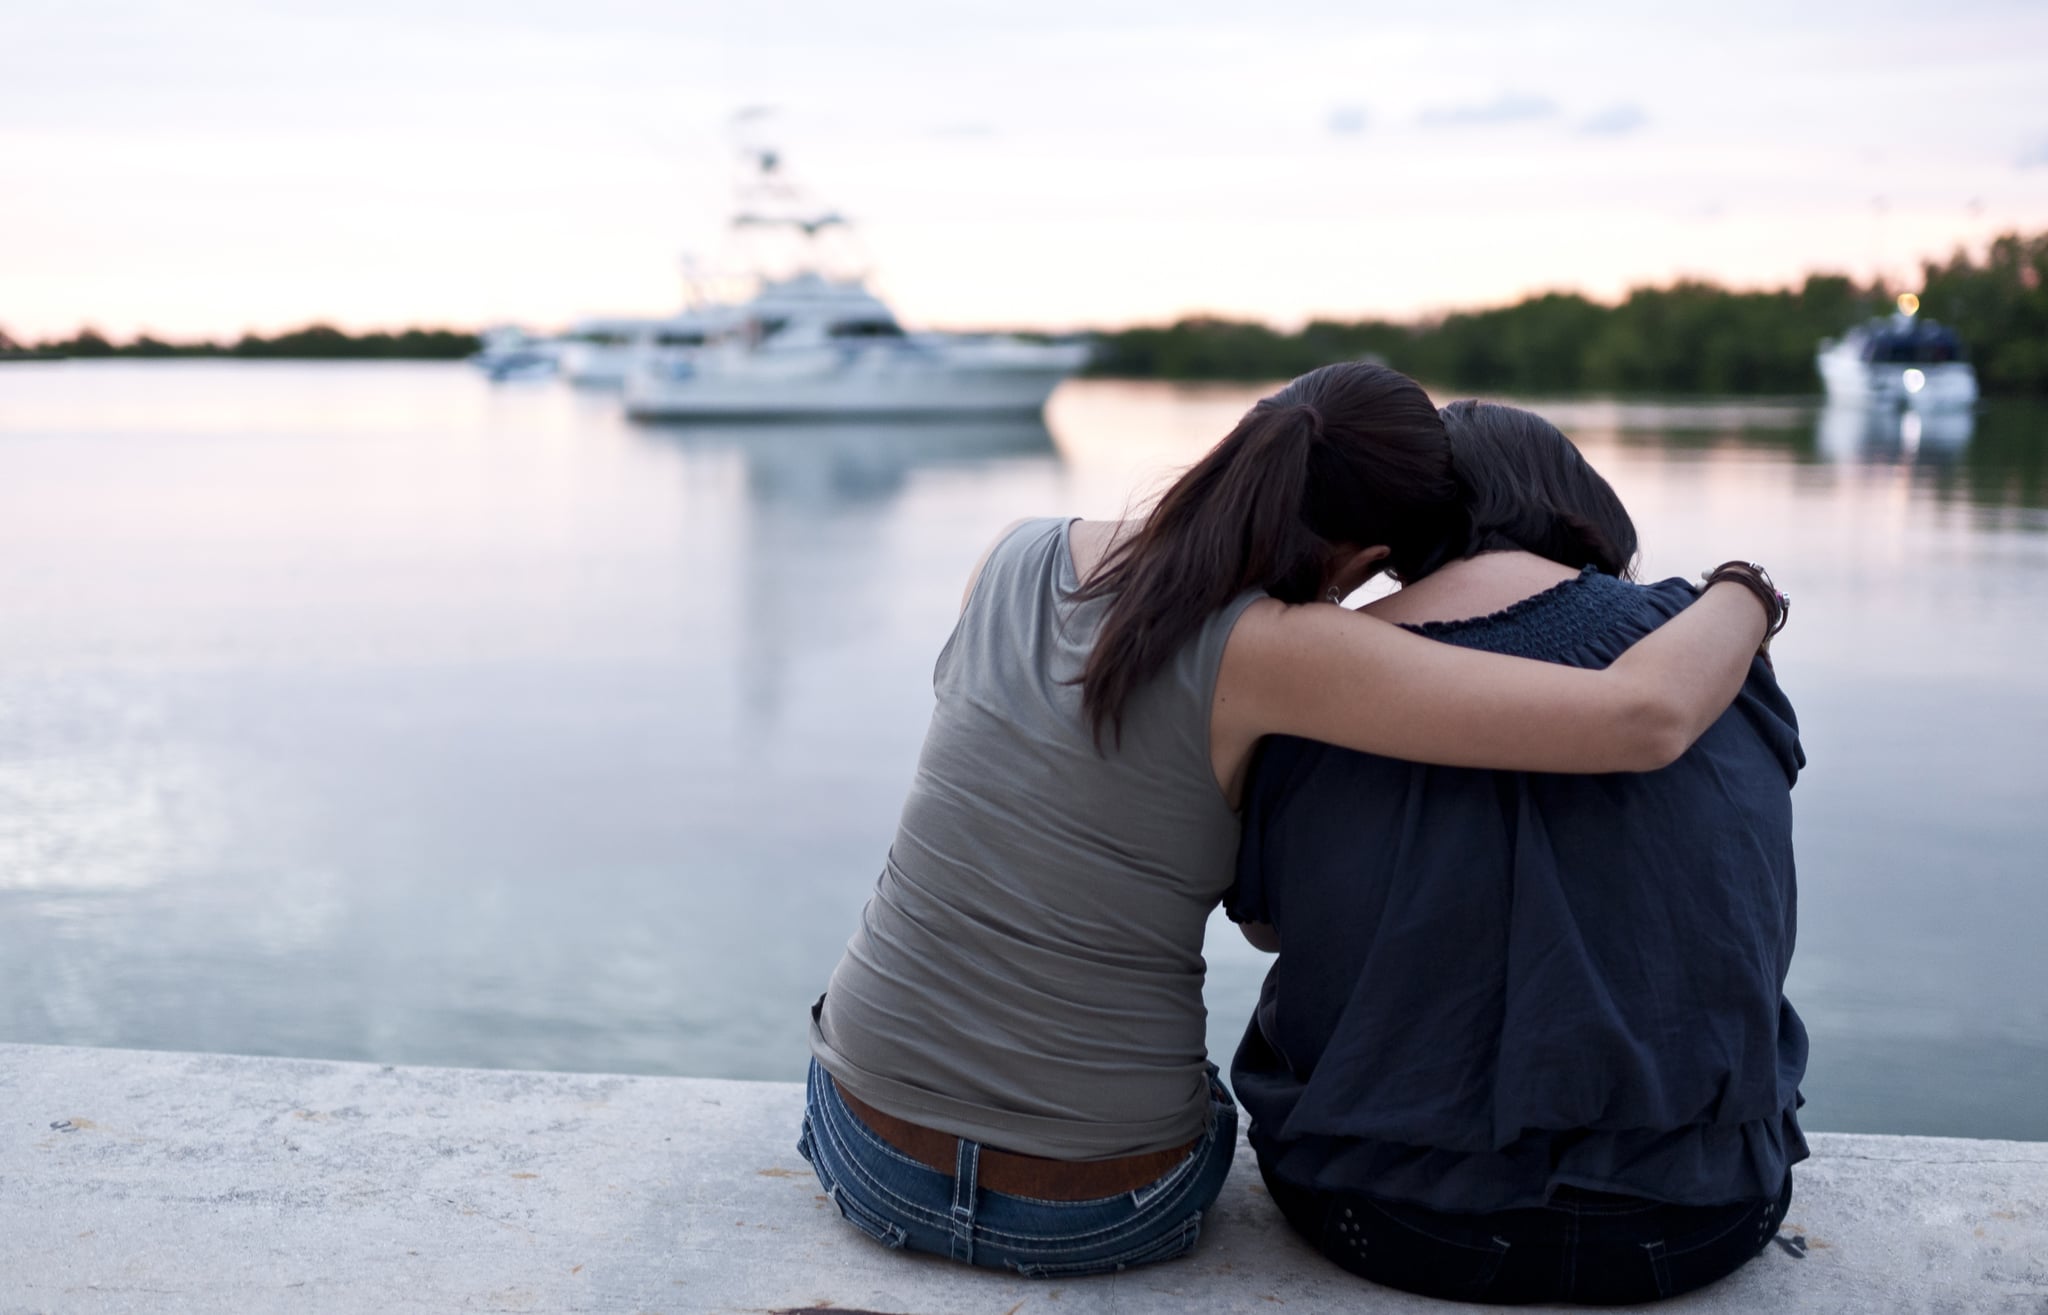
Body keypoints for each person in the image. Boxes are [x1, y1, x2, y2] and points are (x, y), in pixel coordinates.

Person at [799, 364, 1788, 1279]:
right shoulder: (1285, 653)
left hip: (860, 1136)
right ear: (1364, 555)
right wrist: (1739, 592)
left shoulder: (1012, 552)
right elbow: (1640, 717)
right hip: (1097, 1200)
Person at [1228, 399, 1805, 1305]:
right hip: (1709, 1214)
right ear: (1578, 501)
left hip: (1388, 1215)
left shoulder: (1307, 675)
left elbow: (1270, 927)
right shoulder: (1705, 653)